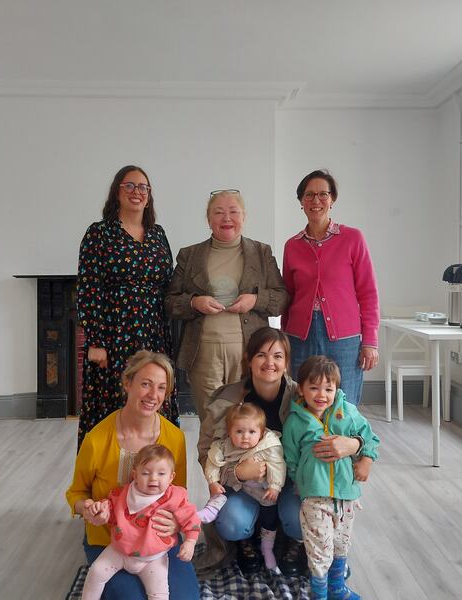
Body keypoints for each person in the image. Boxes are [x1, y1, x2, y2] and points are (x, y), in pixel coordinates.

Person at [198, 327, 365, 576]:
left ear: (286, 362)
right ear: (249, 360)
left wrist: (357, 445)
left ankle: (293, 542)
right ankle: (247, 541)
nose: (270, 363)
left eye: (277, 356)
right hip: (243, 485)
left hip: (293, 482)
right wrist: (237, 473)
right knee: (232, 522)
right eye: (261, 355)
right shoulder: (227, 400)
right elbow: (206, 453)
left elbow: (349, 423)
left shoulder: (307, 394)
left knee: (302, 519)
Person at [66, 351, 199, 599]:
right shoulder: (96, 438)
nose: (153, 395)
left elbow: (178, 494)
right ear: (127, 384)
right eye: (145, 384)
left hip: (157, 541)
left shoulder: (174, 438)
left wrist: (176, 523)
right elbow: (76, 492)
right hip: (109, 541)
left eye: (161, 388)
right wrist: (89, 508)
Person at [77, 165, 178, 448]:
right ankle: (111, 480)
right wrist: (95, 341)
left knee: (154, 397)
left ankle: (156, 476)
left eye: (143, 187)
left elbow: (167, 284)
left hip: (154, 331)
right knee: (116, 402)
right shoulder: (99, 233)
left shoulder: (158, 234)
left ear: (149, 196)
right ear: (116, 193)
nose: (137, 192)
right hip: (114, 332)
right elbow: (88, 288)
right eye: (129, 186)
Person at [165, 189, 289, 418]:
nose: (226, 218)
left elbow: (281, 298)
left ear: (244, 217)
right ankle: (209, 456)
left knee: (248, 424)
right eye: (218, 212)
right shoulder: (189, 255)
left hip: (250, 353)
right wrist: (194, 302)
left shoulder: (262, 253)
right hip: (203, 352)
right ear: (209, 219)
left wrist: (255, 299)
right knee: (212, 423)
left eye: (234, 211)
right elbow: (170, 302)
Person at [281, 356, 379, 600]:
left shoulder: (347, 413)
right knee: (319, 550)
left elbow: (370, 437)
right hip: (314, 498)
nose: (321, 394)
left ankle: (337, 588)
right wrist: (301, 480)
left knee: (341, 545)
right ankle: (320, 593)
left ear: (337, 389)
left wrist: (366, 459)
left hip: (347, 496)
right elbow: (290, 457)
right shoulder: (295, 422)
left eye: (328, 388)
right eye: (313, 387)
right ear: (301, 389)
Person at [282, 169, 380, 407]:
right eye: (309, 195)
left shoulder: (352, 238)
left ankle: (347, 445)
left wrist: (370, 341)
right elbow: (288, 296)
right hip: (300, 337)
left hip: (344, 339)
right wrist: (284, 343)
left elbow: (368, 293)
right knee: (302, 402)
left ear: (332, 199)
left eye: (323, 194)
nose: (316, 201)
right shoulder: (292, 246)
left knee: (344, 405)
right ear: (301, 202)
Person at [81, 444, 202, 600]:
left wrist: (190, 542)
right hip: (119, 551)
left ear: (171, 477)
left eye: (161, 474)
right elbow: (109, 510)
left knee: (159, 595)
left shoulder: (175, 496)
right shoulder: (122, 493)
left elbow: (191, 518)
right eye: (146, 473)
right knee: (96, 572)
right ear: (135, 475)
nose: (153, 478)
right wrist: (100, 509)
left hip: (153, 559)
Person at [203, 402, 285, 571]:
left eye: (251, 432)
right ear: (229, 431)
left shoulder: (269, 445)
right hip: (238, 487)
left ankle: (267, 547)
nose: (245, 437)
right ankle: (212, 510)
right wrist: (212, 481)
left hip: (262, 490)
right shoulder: (225, 446)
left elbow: (278, 465)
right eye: (239, 431)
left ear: (261, 433)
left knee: (269, 514)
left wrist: (275, 486)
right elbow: (212, 461)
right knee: (222, 493)